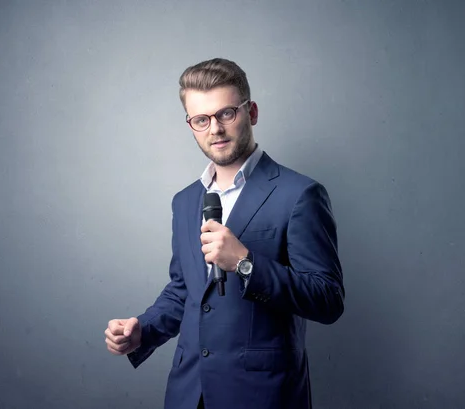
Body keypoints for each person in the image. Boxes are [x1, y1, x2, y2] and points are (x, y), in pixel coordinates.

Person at [104, 58, 345, 409]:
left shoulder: (299, 195)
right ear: (191, 125)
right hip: (189, 393)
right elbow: (185, 290)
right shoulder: (185, 201)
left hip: (262, 394)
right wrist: (143, 329)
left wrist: (246, 263)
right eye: (201, 119)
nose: (214, 128)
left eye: (226, 114)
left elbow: (328, 299)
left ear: (252, 112)